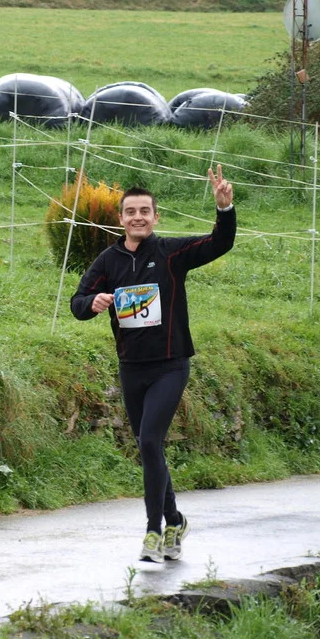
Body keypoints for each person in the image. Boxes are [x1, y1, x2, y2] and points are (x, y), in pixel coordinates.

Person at [70, 165, 235, 563]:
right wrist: (93, 303)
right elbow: (77, 303)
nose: (138, 217)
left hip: (170, 366)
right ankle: (175, 519)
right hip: (131, 368)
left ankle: (153, 532)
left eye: (145, 211)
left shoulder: (171, 253)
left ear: (155, 217)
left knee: (147, 441)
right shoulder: (108, 261)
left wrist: (224, 209)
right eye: (131, 212)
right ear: (121, 218)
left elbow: (219, 243)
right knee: (150, 448)